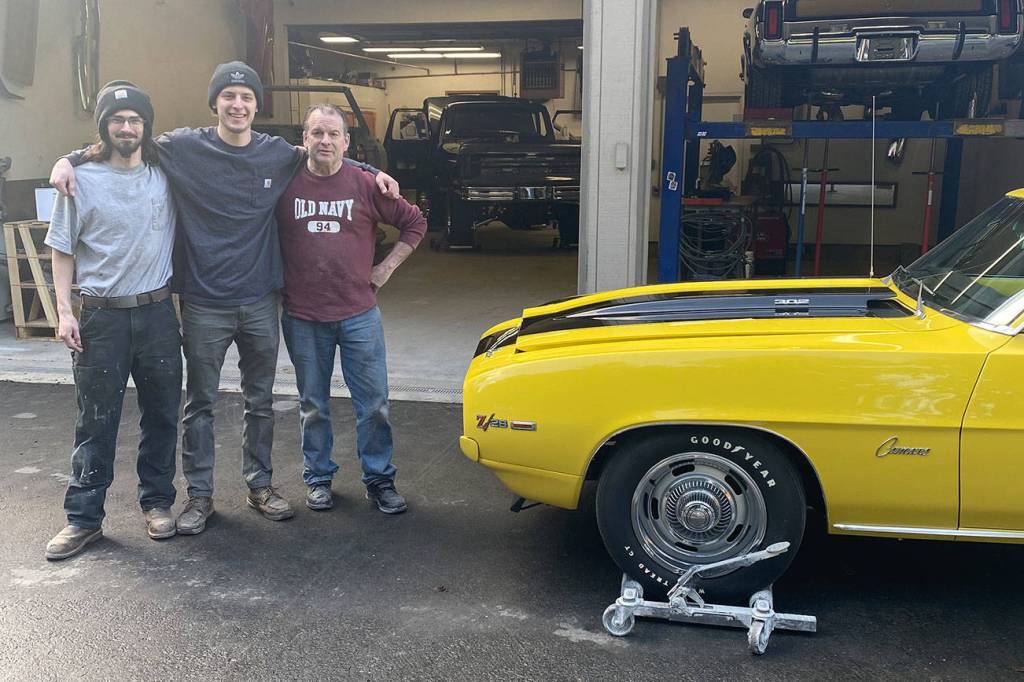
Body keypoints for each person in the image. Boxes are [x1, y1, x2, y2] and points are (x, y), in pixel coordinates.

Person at [50, 62, 400, 535]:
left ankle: (260, 486)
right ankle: (199, 497)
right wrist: (67, 159)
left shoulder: (276, 153)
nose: (237, 105)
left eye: (246, 97)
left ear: (257, 106)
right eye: (228, 96)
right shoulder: (182, 148)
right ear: (214, 103)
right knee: (200, 404)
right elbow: (123, 136)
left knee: (261, 401)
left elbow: (324, 152)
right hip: (202, 303)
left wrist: (372, 169)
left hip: (259, 300)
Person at [44, 81, 181, 559]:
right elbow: (61, 251)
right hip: (101, 316)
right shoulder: (80, 180)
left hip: (159, 313)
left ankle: (157, 503)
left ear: (146, 127)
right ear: (104, 126)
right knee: (95, 421)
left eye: (135, 120)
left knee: (163, 415)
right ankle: (83, 519)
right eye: (117, 120)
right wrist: (65, 313)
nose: (126, 127)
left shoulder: (165, 173)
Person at [277, 104, 426, 513]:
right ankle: (318, 478)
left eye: (333, 134)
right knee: (312, 406)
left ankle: (379, 480)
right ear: (303, 139)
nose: (325, 141)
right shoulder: (284, 181)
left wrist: (386, 268)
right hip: (302, 316)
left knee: (373, 404)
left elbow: (415, 223)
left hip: (359, 314)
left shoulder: (366, 184)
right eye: (316, 133)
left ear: (346, 141)